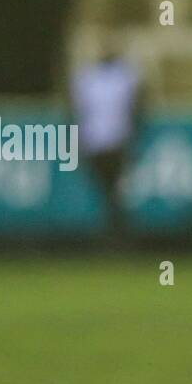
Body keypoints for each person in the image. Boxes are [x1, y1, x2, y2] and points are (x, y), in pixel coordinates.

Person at [70, 42, 143, 240]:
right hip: (95, 142)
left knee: (114, 192)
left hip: (117, 142)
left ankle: (115, 234)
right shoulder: (87, 77)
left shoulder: (124, 76)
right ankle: (114, 233)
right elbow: (77, 111)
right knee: (108, 192)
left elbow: (138, 106)